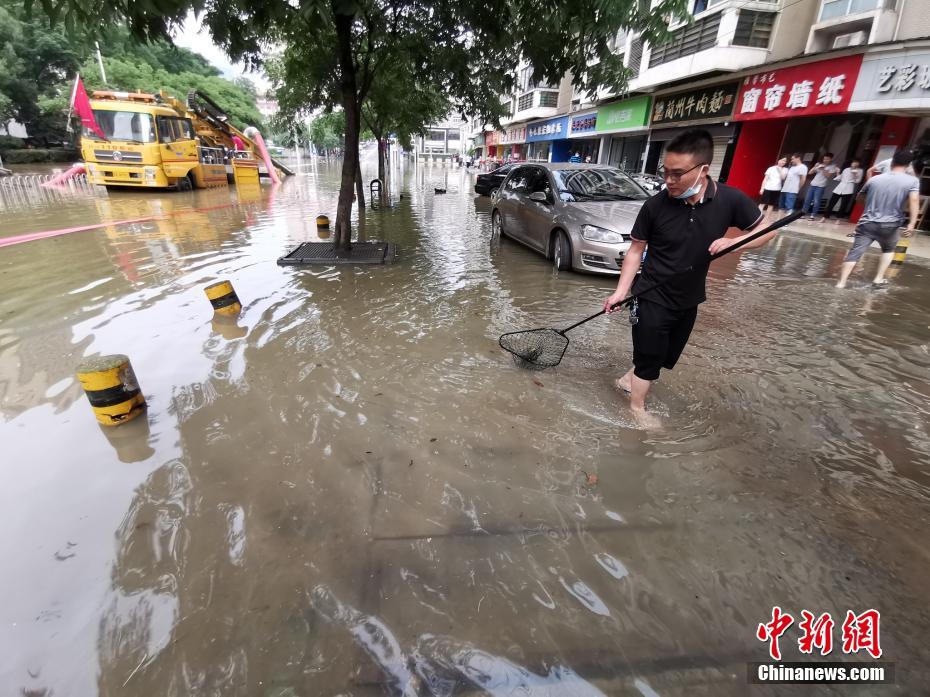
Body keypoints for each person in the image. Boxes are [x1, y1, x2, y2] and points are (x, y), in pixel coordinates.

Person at [602, 129, 768, 425]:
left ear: (703, 170)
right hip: (650, 294)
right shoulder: (655, 205)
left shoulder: (730, 200)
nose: (668, 180)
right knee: (651, 358)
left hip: (688, 297)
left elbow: (769, 230)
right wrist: (620, 292)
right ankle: (637, 410)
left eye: (677, 174)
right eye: (665, 172)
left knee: (664, 357)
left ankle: (628, 380)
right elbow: (635, 250)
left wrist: (735, 243)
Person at [835, 150, 919, 289]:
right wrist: (912, 223)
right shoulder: (912, 181)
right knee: (888, 250)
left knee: (855, 252)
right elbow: (914, 200)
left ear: (892, 162)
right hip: (890, 225)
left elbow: (859, 198)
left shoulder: (874, 179)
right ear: (909, 165)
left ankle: (841, 283)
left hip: (867, 223)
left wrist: (870, 206)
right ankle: (878, 279)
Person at [802, 152, 839, 220]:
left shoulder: (832, 166)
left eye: (827, 159)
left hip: (821, 186)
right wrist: (815, 167)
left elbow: (828, 176)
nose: (825, 160)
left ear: (831, 159)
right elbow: (810, 172)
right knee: (807, 199)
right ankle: (803, 214)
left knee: (816, 201)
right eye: (824, 159)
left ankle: (813, 215)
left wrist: (823, 169)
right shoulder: (819, 164)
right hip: (813, 184)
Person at [824, 158, 863, 223]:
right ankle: (824, 217)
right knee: (832, 202)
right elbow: (840, 178)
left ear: (859, 164)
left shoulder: (860, 171)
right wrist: (838, 173)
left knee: (843, 205)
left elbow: (858, 181)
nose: (855, 163)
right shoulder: (846, 169)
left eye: (856, 162)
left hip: (849, 188)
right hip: (840, 187)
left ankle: (838, 219)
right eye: (854, 162)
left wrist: (855, 174)